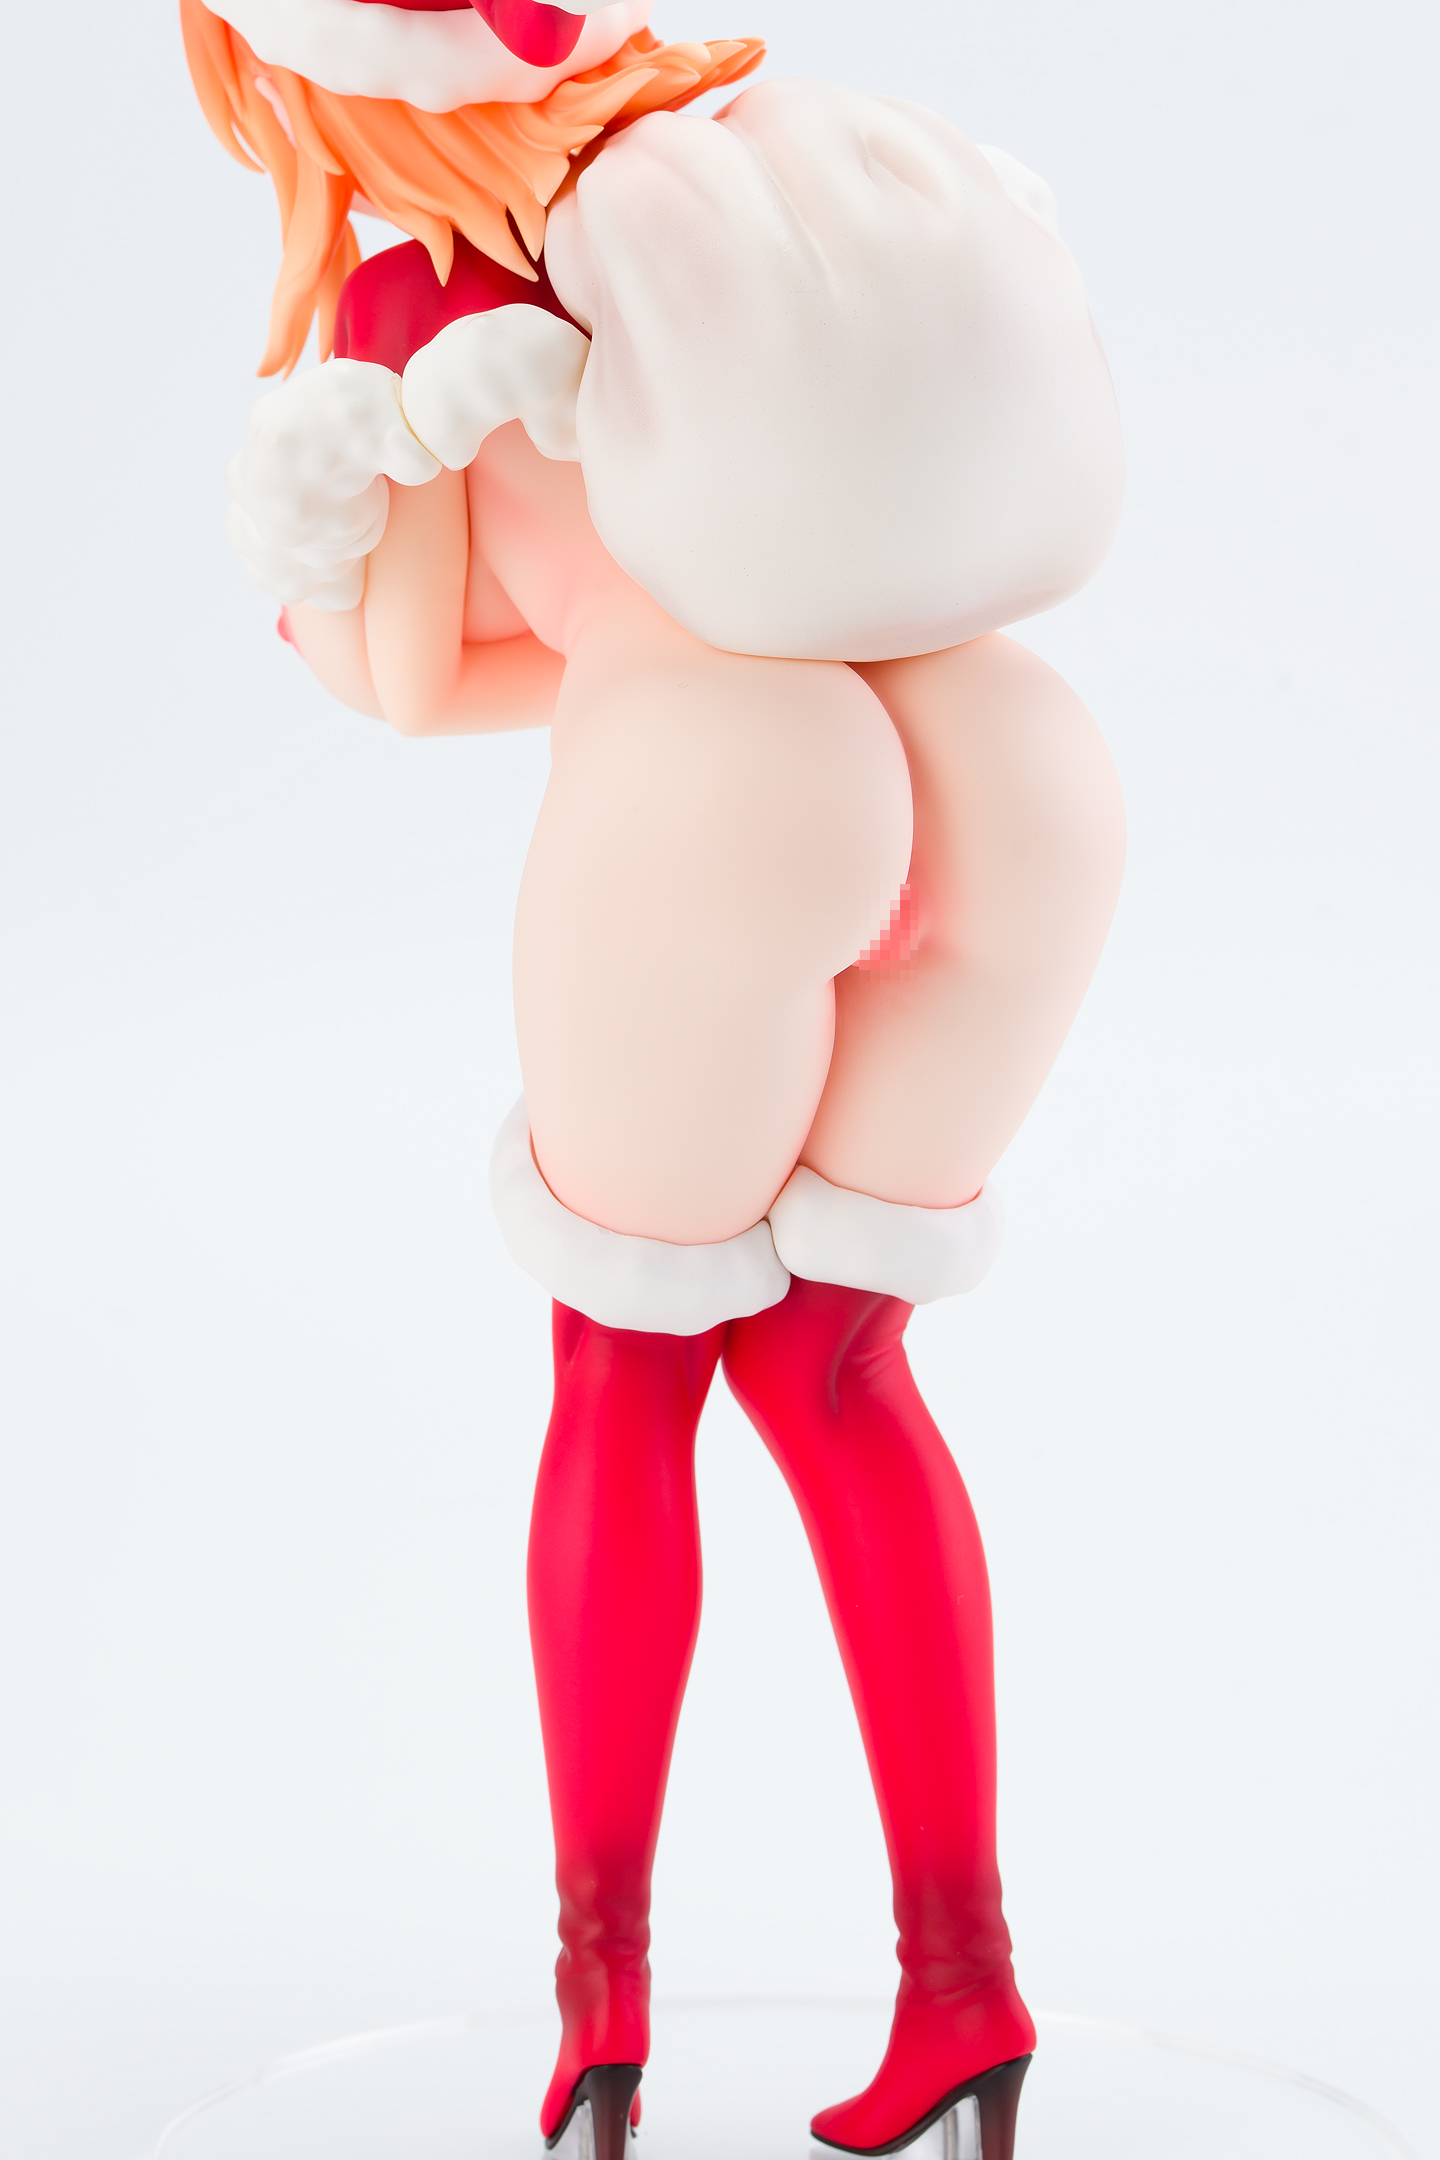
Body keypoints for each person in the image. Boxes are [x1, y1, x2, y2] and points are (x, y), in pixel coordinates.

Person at [183, 1, 1128, 2152]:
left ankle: (600, 2006)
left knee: (625, 1378)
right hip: (1011, 768)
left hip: (722, 787)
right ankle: (965, 1992)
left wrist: (327, 555)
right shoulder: (766, 176)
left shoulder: (415, 298)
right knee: (840, 1370)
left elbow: (412, 682)